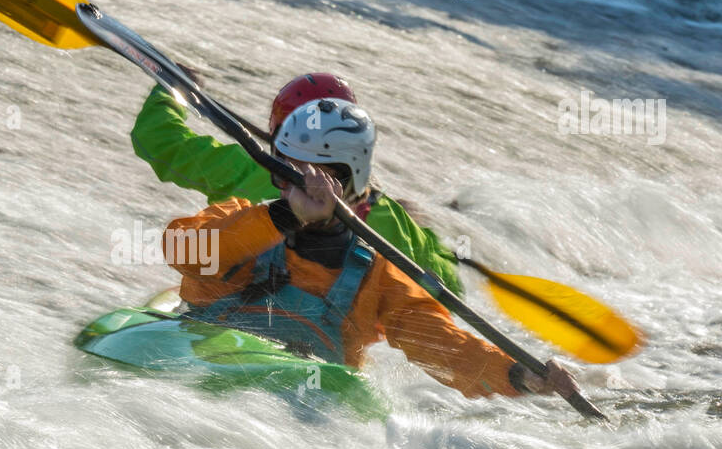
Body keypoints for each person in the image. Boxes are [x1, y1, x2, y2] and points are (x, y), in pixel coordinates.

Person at [164, 97, 579, 400]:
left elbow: (445, 350)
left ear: (347, 183)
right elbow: (183, 252)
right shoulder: (236, 218)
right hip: (194, 378)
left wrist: (520, 375)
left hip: (294, 403)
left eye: (311, 176)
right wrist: (282, 217)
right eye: (284, 171)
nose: (291, 187)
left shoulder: (380, 277)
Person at [132, 71, 465, 293]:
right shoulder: (386, 216)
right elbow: (449, 287)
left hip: (232, 316)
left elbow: (159, 141)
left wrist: (171, 93)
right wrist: (423, 235)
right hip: (321, 343)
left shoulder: (247, 170)